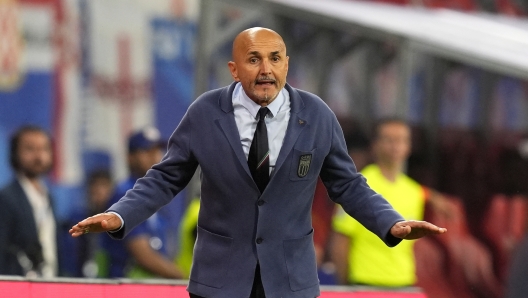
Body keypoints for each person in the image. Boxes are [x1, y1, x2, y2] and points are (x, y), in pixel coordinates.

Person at [70, 27, 446, 298]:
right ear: (234, 69)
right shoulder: (205, 112)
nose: (266, 69)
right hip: (219, 281)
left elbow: (347, 184)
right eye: (254, 59)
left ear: (286, 64)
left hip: (290, 282)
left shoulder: (316, 114)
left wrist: (391, 222)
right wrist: (119, 215)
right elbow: (165, 178)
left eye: (275, 58)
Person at [330, 118, 450, 287]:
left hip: (404, 283)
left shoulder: (414, 191)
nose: (396, 146)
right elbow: (341, 241)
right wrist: (346, 286)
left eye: (401, 140)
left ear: (409, 147)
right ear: (375, 145)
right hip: (365, 283)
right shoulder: (358, 187)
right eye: (389, 140)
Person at [102, 127, 183, 279]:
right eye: (147, 151)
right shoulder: (125, 194)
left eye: (157, 150)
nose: (155, 157)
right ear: (130, 157)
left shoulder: (156, 195)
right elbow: (143, 255)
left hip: (152, 287)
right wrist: (183, 278)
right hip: (126, 288)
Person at [0, 125, 59, 277]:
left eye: (44, 149)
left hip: (50, 284)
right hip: (17, 286)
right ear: (15, 153)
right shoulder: (6, 198)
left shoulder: (48, 198)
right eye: (30, 149)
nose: (39, 156)